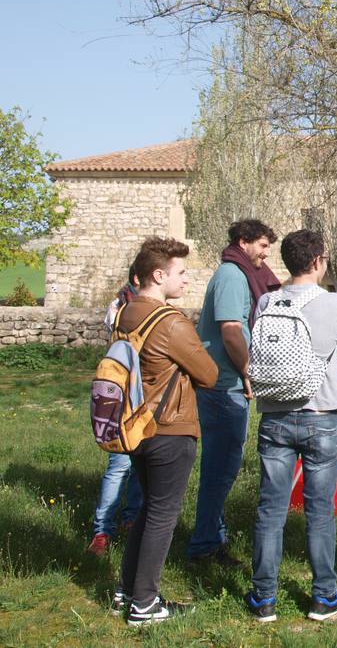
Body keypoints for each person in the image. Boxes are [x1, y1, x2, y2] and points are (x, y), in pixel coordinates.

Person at [245, 229, 337, 624]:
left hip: (273, 415)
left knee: (270, 510)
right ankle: (324, 596)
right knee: (320, 511)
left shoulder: (266, 301)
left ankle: (264, 598)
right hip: (320, 415)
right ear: (318, 261)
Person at [115, 237, 218, 626]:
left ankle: (128, 589)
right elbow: (208, 373)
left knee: (147, 509)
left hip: (137, 424)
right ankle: (144, 604)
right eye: (181, 272)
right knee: (162, 514)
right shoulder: (169, 321)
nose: (187, 279)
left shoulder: (127, 314)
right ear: (158, 275)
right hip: (170, 427)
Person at [188, 219, 280, 566]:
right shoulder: (231, 275)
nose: (265, 253)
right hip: (223, 384)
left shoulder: (239, 273)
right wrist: (247, 372)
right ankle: (205, 544)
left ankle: (212, 535)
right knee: (220, 469)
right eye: (261, 245)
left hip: (226, 384)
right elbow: (230, 331)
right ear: (243, 242)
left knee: (223, 466)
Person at [87, 267, 144, 556]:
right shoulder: (121, 307)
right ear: (138, 278)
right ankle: (102, 530)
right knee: (120, 465)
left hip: (145, 394)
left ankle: (130, 518)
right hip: (124, 392)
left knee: (140, 464)